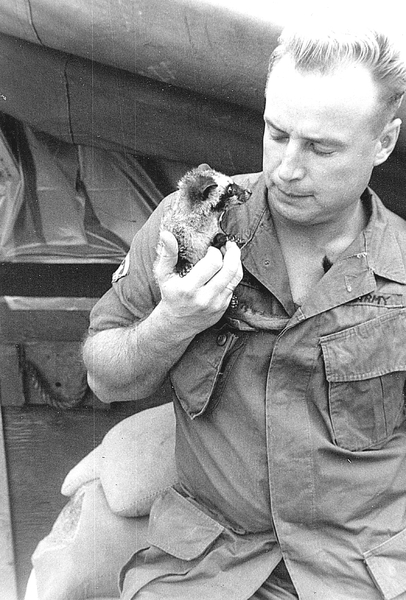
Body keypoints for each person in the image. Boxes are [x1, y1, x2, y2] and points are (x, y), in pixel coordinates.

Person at [83, 18, 406, 600]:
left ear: (383, 143)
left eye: (320, 148)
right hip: (209, 567)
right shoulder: (192, 225)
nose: (287, 168)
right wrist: (171, 324)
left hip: (361, 573)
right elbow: (104, 377)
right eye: (277, 133)